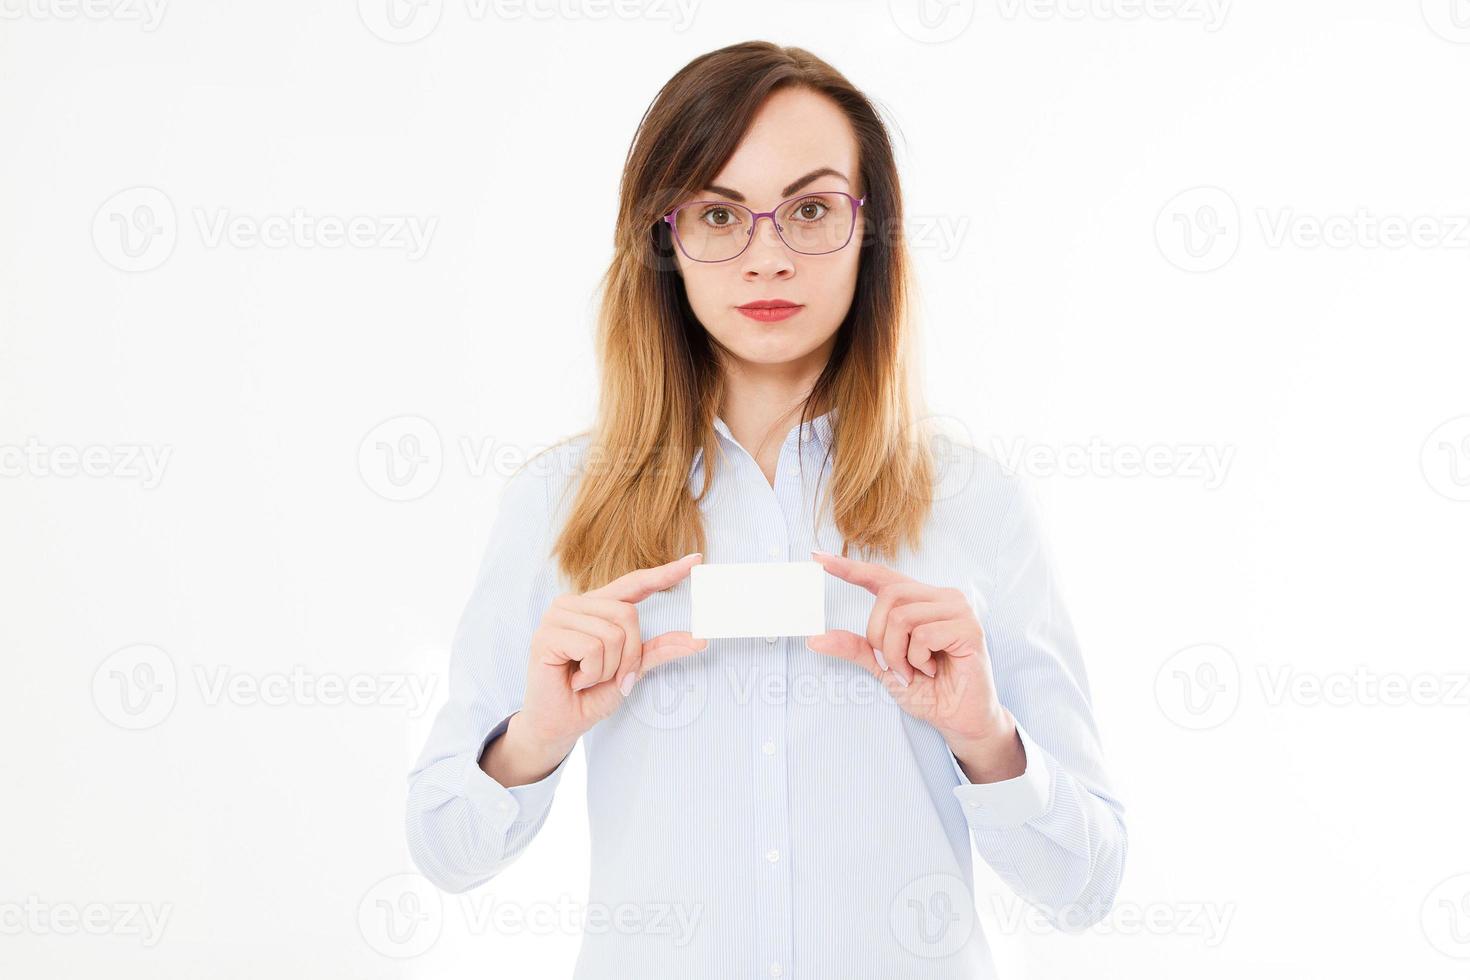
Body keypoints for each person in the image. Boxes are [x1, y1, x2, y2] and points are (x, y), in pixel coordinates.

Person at [406, 40, 1126, 979]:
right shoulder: (561, 502)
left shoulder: (972, 502)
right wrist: (534, 738)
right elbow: (445, 853)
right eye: (719, 214)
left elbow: (1087, 887)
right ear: (664, 238)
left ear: (870, 231)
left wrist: (984, 738)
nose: (768, 258)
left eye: (812, 209)